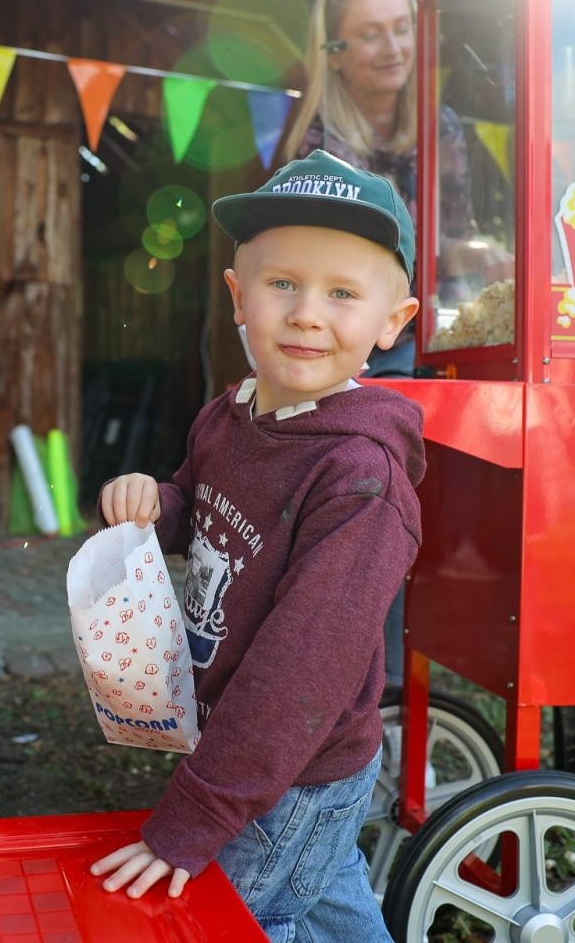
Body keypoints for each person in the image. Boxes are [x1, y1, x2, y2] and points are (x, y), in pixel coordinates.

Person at [89, 149, 423, 943]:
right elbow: (196, 509)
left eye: (342, 293)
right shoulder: (231, 413)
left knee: (235, 923)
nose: (306, 313)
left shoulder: (360, 479)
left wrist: (198, 814)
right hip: (258, 756)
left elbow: (299, 672)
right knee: (329, 906)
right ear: (239, 297)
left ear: (393, 322)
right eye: (282, 284)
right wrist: (154, 505)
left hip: (291, 775)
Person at [280, 0, 482, 378]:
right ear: (335, 54)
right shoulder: (319, 146)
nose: (393, 48)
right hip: (355, 348)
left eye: (402, 29)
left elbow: (459, 231)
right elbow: (349, 266)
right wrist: (451, 254)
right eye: (371, 35)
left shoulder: (441, 126)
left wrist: (476, 257)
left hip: (441, 335)